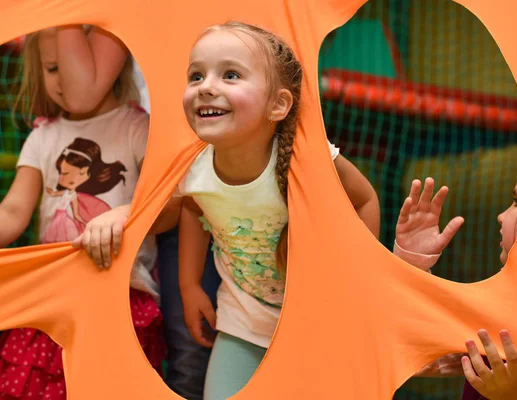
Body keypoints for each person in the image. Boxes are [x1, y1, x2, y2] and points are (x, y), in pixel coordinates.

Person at [76, 21, 380, 399]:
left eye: (230, 75)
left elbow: (364, 199)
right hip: (244, 321)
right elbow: (187, 209)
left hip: (317, 321)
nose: (206, 86)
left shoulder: (309, 160)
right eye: (196, 75)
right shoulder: (194, 165)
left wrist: (359, 282)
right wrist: (126, 221)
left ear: (279, 104)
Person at [56, 24, 221, 399]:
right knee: (187, 353)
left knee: (197, 355)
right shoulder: (139, 126)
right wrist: (134, 211)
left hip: (210, 191)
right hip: (178, 196)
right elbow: (183, 200)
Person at [0, 27, 164, 399]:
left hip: (118, 294)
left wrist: (124, 214)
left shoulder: (136, 127)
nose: (63, 80)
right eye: (52, 68)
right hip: (52, 296)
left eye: (70, 65)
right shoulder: (42, 136)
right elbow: (12, 211)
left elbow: (166, 202)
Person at [395, 150, 517, 399]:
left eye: (516, 203)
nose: (501, 215)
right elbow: (416, 353)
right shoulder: (496, 310)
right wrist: (412, 264)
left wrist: (516, 396)